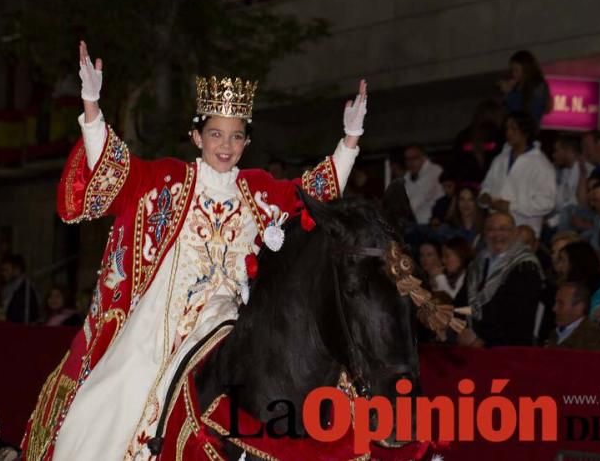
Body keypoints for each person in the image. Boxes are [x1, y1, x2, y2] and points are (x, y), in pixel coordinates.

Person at [25, 42, 367, 460]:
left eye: (236, 136)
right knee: (111, 400)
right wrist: (93, 110)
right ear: (196, 136)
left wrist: (349, 141)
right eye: (216, 134)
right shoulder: (169, 177)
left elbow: (313, 197)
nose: (226, 145)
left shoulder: (258, 189)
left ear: (246, 142)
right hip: (163, 323)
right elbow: (118, 173)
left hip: (230, 317)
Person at [460, 212, 543, 347]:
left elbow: (518, 316)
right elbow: (463, 304)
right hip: (472, 345)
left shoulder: (526, 267)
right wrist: (462, 329)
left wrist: (483, 341)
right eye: (491, 229)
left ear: (515, 233)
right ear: (484, 233)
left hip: (508, 349)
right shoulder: (477, 265)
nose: (497, 235)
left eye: (503, 229)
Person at [479, 112, 557, 235]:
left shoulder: (541, 164)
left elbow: (546, 203)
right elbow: (487, 184)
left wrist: (512, 206)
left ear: (526, 131)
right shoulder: (500, 158)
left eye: (513, 128)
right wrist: (485, 195)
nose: (508, 133)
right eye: (507, 128)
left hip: (523, 230)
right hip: (496, 227)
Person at [546, 282, 600, 351]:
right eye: (555, 302)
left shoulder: (594, 338)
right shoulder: (555, 334)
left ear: (578, 308)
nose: (554, 308)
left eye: (561, 303)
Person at [499, 50, 551, 129]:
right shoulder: (517, 87)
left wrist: (509, 94)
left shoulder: (537, 87)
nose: (513, 74)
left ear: (526, 69)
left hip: (525, 131)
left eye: (516, 70)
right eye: (512, 70)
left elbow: (528, 113)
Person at [401, 143, 443, 226]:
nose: (410, 162)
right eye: (407, 159)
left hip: (432, 226)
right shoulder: (407, 176)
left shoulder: (434, 171)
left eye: (414, 158)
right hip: (417, 225)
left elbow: (415, 201)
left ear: (423, 157)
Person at [430, 237, 473, 308]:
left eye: (447, 256)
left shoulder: (470, 277)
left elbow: (453, 302)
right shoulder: (452, 277)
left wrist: (439, 277)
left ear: (460, 256)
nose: (443, 261)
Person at [1, 254, 40, 324]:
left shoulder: (26, 290)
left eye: (6, 270)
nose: (3, 274)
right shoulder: (11, 288)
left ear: (17, 270)